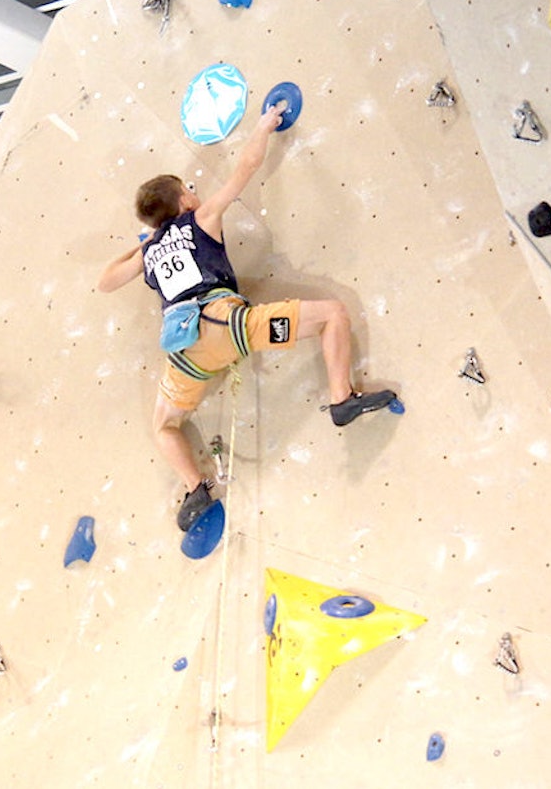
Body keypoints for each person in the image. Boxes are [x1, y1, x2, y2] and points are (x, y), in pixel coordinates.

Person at [97, 103, 396, 531]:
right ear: (184, 199)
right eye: (190, 187)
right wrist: (264, 125)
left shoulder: (149, 255)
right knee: (332, 315)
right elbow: (245, 168)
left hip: (188, 355)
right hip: (231, 326)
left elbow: (105, 281)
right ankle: (341, 399)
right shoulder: (200, 219)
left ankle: (195, 487)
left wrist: (143, 244)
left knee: (164, 425)